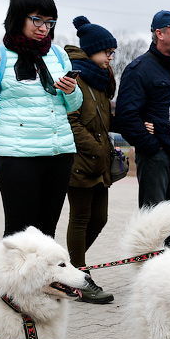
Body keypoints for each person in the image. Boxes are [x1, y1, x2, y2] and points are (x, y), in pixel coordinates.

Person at [0, 0, 81, 238]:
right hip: (17, 158)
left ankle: (44, 279)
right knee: (19, 234)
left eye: (49, 22)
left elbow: (73, 106)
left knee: (47, 233)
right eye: (36, 19)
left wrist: (71, 91)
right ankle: (12, 279)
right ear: (17, 17)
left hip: (59, 154)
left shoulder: (57, 55)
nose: (43, 28)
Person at [114, 10, 170, 245]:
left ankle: (165, 270)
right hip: (156, 157)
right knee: (154, 221)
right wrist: (152, 147)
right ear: (160, 33)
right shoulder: (139, 70)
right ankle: (147, 271)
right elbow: (126, 116)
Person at [64, 16, 118, 304]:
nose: (110, 57)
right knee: (81, 218)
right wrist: (96, 148)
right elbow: (71, 120)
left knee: (101, 218)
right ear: (92, 50)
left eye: (112, 53)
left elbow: (104, 119)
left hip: (99, 163)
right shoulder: (75, 77)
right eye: (106, 51)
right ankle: (80, 279)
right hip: (80, 162)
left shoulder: (100, 81)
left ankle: (68, 269)